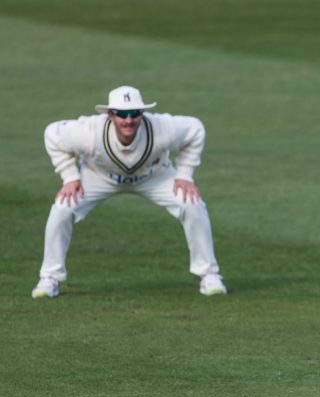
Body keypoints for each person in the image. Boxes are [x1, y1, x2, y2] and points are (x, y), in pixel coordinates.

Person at [31, 85, 227, 298]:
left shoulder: (163, 127)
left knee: (192, 203)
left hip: (154, 176)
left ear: (142, 114)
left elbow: (195, 129)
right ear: (110, 115)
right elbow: (52, 133)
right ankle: (50, 278)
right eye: (122, 114)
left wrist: (184, 175)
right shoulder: (88, 131)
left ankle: (208, 274)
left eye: (134, 113)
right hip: (98, 177)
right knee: (62, 208)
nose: (129, 120)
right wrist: (69, 176)